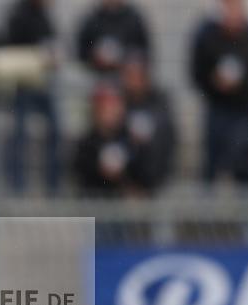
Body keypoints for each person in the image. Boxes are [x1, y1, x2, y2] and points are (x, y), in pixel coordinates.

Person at [190, 0, 248, 182]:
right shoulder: (207, 36)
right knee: (212, 160)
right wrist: (214, 83)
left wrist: (245, 84)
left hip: (245, 108)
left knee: (244, 156)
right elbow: (196, 73)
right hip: (217, 107)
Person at [5, 0, 61, 195]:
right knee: (19, 135)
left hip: (42, 84)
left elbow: (52, 48)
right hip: (22, 86)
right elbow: (13, 50)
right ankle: (17, 187)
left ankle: (53, 188)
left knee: (56, 131)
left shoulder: (45, 17)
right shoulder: (18, 16)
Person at [120, 53, 176, 193]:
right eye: (129, 76)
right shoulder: (119, 101)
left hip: (154, 173)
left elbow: (168, 136)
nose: (133, 81)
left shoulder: (159, 101)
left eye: (137, 76)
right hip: (125, 178)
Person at [75, 82, 135, 197]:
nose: (110, 114)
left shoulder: (130, 141)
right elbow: (80, 172)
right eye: (105, 109)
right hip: (95, 201)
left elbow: (143, 172)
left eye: (114, 108)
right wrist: (100, 170)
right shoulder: (87, 143)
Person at [76, 0, 151, 74]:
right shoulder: (92, 19)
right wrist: (94, 57)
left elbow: (144, 50)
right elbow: (81, 52)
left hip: (126, 74)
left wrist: (127, 58)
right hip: (96, 73)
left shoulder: (134, 19)